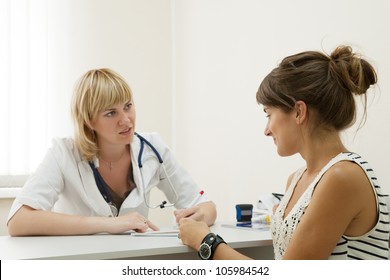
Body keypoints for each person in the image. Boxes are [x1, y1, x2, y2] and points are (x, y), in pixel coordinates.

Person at [178, 45, 390, 260]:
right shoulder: (296, 180)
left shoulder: (343, 177)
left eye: (269, 114)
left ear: (299, 111)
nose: (267, 130)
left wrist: (207, 242)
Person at [7, 68, 216, 236]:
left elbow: (206, 206)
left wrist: (199, 216)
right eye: (110, 113)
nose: (126, 120)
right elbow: (18, 221)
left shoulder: (153, 148)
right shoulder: (64, 153)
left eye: (128, 106)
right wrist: (109, 224)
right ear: (89, 120)